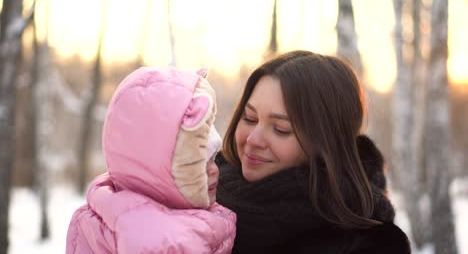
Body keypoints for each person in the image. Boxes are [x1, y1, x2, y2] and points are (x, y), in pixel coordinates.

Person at [215, 50, 411, 254]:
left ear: (326, 143)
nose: (253, 139)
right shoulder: (200, 195)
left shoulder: (367, 244)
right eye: (249, 118)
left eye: (281, 129)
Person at [66, 66, 236, 254]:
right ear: (160, 171)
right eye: (200, 164)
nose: (214, 169)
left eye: (213, 158)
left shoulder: (111, 207)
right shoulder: (160, 241)